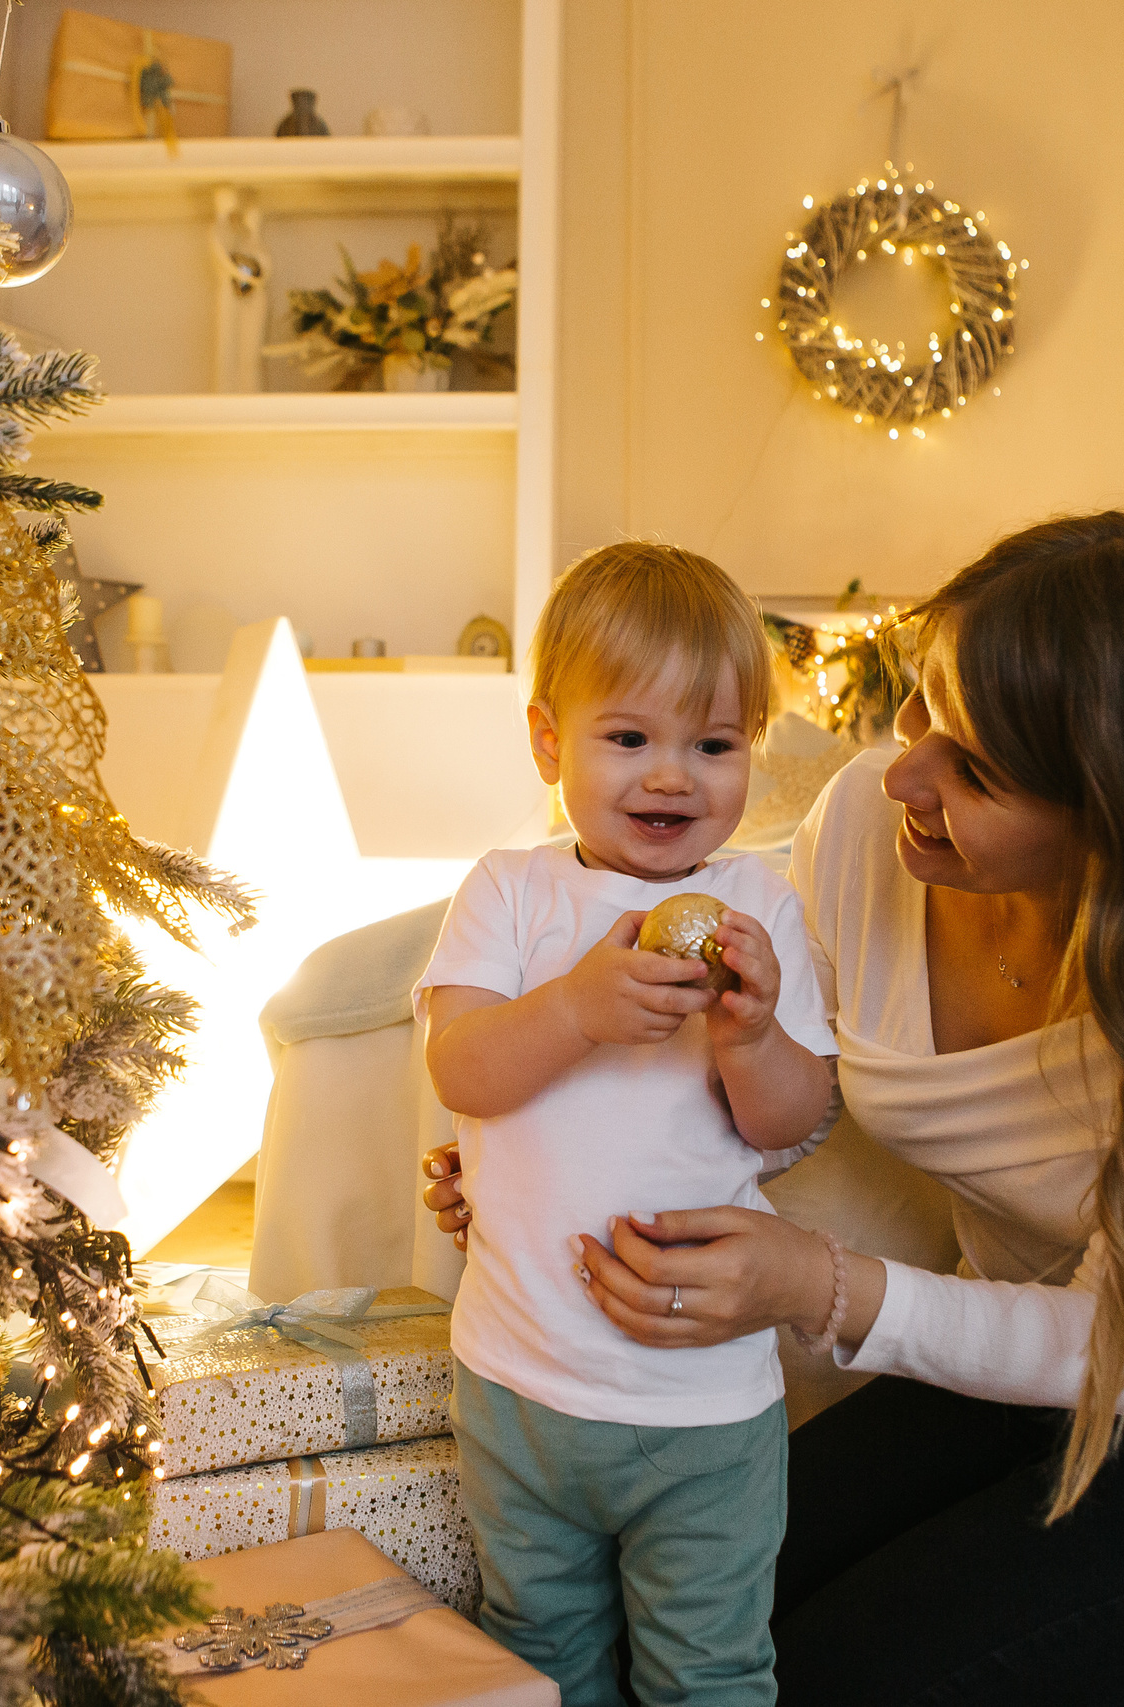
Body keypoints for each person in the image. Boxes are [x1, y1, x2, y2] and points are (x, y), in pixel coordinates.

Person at [426, 513, 1124, 1707]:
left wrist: (815, 1284)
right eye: (918, 708)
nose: (901, 774)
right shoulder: (867, 827)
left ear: (1114, 817)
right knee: (703, 1621)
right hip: (1000, 1384)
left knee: (827, 1690)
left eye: (976, 769)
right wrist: (544, 1155)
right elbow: (771, 1086)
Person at [415, 541, 840, 1707]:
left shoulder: (758, 906)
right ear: (550, 741)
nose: (672, 778)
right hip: (518, 1380)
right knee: (536, 1649)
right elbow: (464, 1068)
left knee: (708, 1668)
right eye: (628, 739)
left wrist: (751, 1040)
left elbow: (794, 1123)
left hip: (702, 1405)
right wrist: (575, 1008)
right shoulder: (508, 890)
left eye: (714, 745)